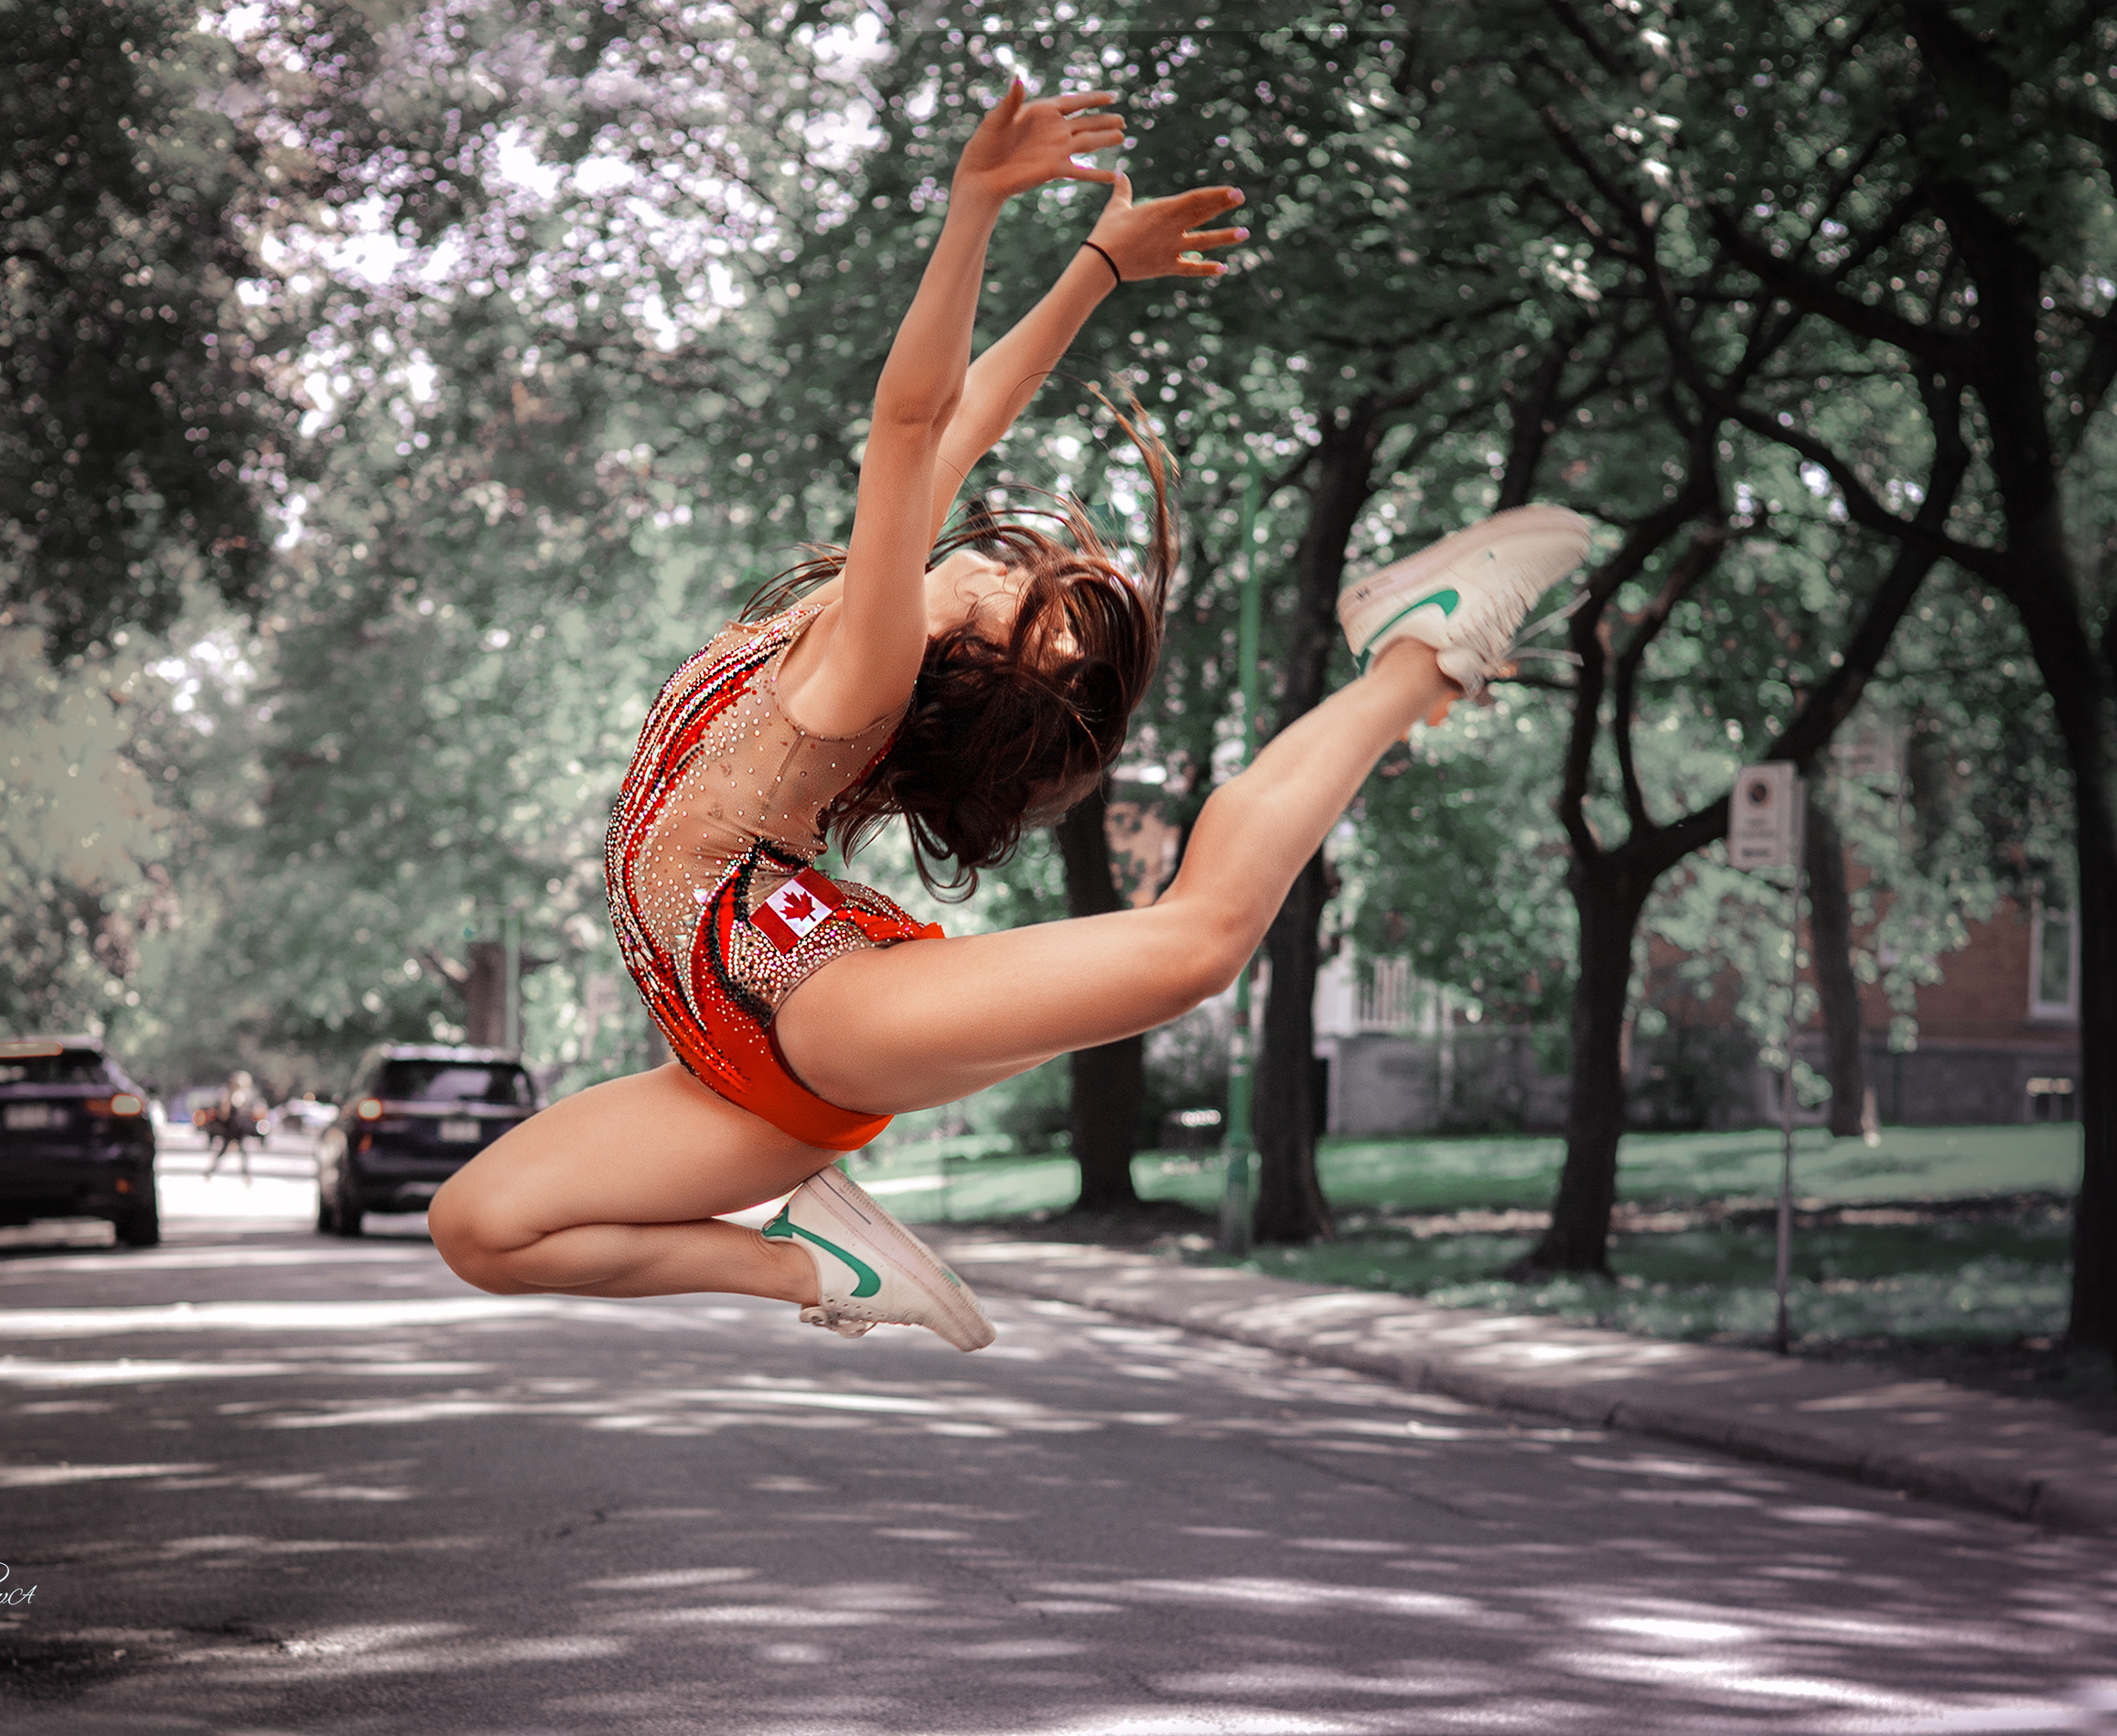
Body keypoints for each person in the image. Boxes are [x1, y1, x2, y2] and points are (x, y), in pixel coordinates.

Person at [430, 80, 1589, 1351]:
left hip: (815, 1008)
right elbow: (967, 417)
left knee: (1196, 945)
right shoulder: (844, 612)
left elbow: (912, 419)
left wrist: (976, 206)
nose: (1007, 560)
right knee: (479, 1227)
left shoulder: (867, 666)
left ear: (973, 655)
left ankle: (1416, 655)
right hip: (723, 1053)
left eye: (1034, 613)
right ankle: (822, 1266)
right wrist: (1096, 269)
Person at [205, 1069, 263, 1183]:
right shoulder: (229, 1095)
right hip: (232, 1128)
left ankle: (212, 1172)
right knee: (235, 1152)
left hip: (237, 1128)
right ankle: (244, 1175)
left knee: (239, 1153)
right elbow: (225, 1113)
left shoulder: (237, 1095)